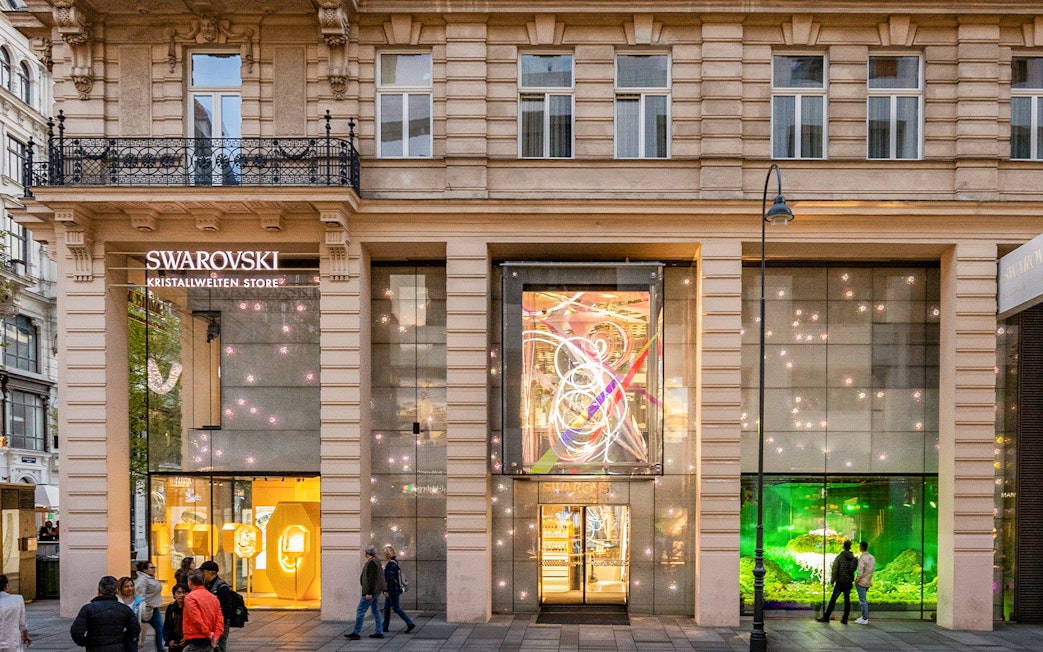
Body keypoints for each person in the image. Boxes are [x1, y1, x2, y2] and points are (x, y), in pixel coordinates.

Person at [70, 575, 141, 652]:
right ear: (115, 591)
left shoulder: (88, 609)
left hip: (95, 648)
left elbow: (76, 631)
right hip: (117, 647)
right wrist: (123, 638)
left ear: (99, 590)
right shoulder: (124, 609)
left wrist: (86, 642)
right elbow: (135, 629)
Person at [344, 544, 385, 640]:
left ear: (367, 552)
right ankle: (379, 631)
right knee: (376, 610)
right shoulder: (376, 561)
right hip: (375, 590)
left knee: (361, 610)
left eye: (364, 551)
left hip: (371, 591)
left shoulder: (372, 563)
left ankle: (356, 632)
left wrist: (369, 593)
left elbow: (372, 579)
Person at [816, 540, 858, 624]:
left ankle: (827, 616)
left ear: (843, 547)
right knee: (847, 600)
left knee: (833, 599)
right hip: (848, 582)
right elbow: (853, 569)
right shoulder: (853, 558)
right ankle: (845, 618)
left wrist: (832, 580)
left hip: (840, 582)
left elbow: (835, 570)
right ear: (850, 547)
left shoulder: (839, 557)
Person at [181, 571, 222, 652]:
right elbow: (219, 619)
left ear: (190, 582)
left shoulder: (190, 597)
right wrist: (216, 635)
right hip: (210, 637)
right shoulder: (213, 597)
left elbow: (196, 619)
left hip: (196, 635)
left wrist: (208, 633)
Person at [380, 546, 415, 634]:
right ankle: (384, 626)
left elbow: (390, 579)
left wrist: (387, 591)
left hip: (392, 590)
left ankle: (409, 623)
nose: (384, 555)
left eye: (385, 554)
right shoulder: (395, 562)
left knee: (396, 608)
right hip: (394, 589)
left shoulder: (390, 565)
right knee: (387, 608)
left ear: (387, 554)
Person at [198, 562, 231, 652]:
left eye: (203, 572)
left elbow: (225, 609)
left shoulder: (222, 587)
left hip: (220, 624)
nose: (202, 575)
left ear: (211, 573)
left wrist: (219, 626)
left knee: (218, 647)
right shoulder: (207, 585)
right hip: (210, 622)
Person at [135, 561, 165, 651]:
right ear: (144, 570)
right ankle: (160, 648)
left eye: (154, 567)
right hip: (147, 608)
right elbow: (139, 593)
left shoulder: (150, 578)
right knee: (159, 628)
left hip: (153, 607)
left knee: (160, 628)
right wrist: (143, 604)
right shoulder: (142, 580)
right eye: (151, 568)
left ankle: (160, 647)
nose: (154, 569)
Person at [0, 574, 30, 650]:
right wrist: (26, 636)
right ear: (6, 586)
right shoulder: (18, 599)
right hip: (13, 642)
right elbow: (23, 623)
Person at [854, 540, 876, 625]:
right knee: (863, 599)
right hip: (868, 581)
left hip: (862, 582)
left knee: (862, 600)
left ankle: (865, 618)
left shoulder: (862, 558)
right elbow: (872, 569)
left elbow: (860, 571)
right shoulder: (872, 557)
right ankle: (863, 616)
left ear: (861, 547)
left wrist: (857, 580)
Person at [162, 585, 187, 652]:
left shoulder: (189, 606)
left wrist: (187, 638)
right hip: (174, 639)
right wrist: (169, 639)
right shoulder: (171, 607)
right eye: (178, 592)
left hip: (186, 640)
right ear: (174, 595)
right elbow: (167, 625)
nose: (181, 595)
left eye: (183, 592)